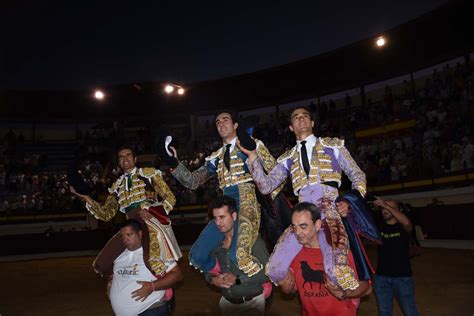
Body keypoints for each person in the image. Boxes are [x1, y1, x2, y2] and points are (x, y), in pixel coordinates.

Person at [240, 106, 368, 290]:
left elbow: (358, 175)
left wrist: (350, 202)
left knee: (337, 271)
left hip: (329, 209)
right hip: (301, 215)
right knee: (274, 268)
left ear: (312, 122)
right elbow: (266, 186)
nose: (301, 119)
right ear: (291, 127)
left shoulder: (334, 146)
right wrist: (252, 157)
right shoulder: (288, 157)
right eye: (295, 117)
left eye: (305, 116)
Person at [162, 111, 287, 277]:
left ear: (236, 125)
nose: (221, 123)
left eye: (225, 120)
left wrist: (268, 195)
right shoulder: (215, 157)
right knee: (196, 257)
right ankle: (227, 276)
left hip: (247, 202)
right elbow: (193, 182)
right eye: (218, 122)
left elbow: (276, 173)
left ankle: (262, 286)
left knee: (240, 256)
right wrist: (173, 161)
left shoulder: (253, 145)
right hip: (224, 208)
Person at [71, 146, 181, 278]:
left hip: (149, 221)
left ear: (135, 159)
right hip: (130, 225)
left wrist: (154, 213)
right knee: (101, 263)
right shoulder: (116, 186)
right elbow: (106, 214)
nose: (125, 158)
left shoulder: (149, 174)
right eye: (121, 157)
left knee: (152, 261)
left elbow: (170, 198)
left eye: (128, 155)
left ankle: (166, 293)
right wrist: (86, 198)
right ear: (119, 162)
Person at [279, 202, 371, 316]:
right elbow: (295, 288)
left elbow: (367, 288)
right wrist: (287, 288)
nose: (297, 232)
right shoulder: (292, 255)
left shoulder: (340, 252)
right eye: (294, 227)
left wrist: (343, 292)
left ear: (317, 225)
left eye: (303, 226)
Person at [204, 196, 272, 316]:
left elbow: (267, 274)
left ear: (234, 216)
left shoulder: (252, 241)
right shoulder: (216, 243)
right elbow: (208, 269)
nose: (218, 223)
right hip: (226, 304)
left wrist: (238, 279)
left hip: (252, 304)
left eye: (222, 217)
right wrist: (212, 279)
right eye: (215, 218)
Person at [109, 219, 183, 316]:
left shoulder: (154, 252)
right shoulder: (119, 256)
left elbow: (177, 275)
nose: (125, 239)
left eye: (129, 235)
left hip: (151, 310)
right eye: (122, 236)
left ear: (139, 234)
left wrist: (152, 286)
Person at [372, 198, 420, 316]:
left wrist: (386, 205)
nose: (385, 210)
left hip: (402, 277)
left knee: (410, 311)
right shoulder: (379, 227)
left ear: (398, 210)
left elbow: (408, 223)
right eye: (383, 208)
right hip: (381, 278)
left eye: (389, 207)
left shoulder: (403, 227)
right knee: (384, 312)